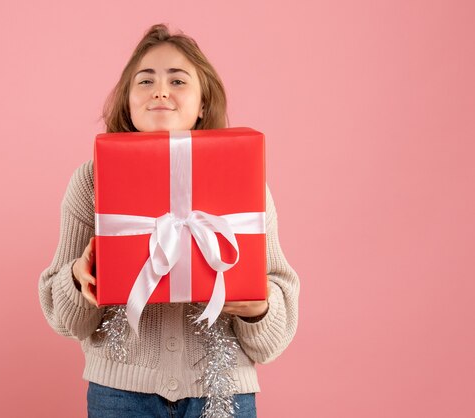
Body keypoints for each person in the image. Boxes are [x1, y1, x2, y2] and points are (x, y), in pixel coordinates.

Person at [38, 23, 300, 418]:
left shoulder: (245, 180)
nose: (161, 90)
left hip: (222, 391)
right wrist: (79, 278)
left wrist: (257, 309)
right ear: (127, 101)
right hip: (120, 393)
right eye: (145, 81)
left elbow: (273, 339)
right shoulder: (92, 180)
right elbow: (65, 319)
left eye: (178, 80)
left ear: (203, 105)